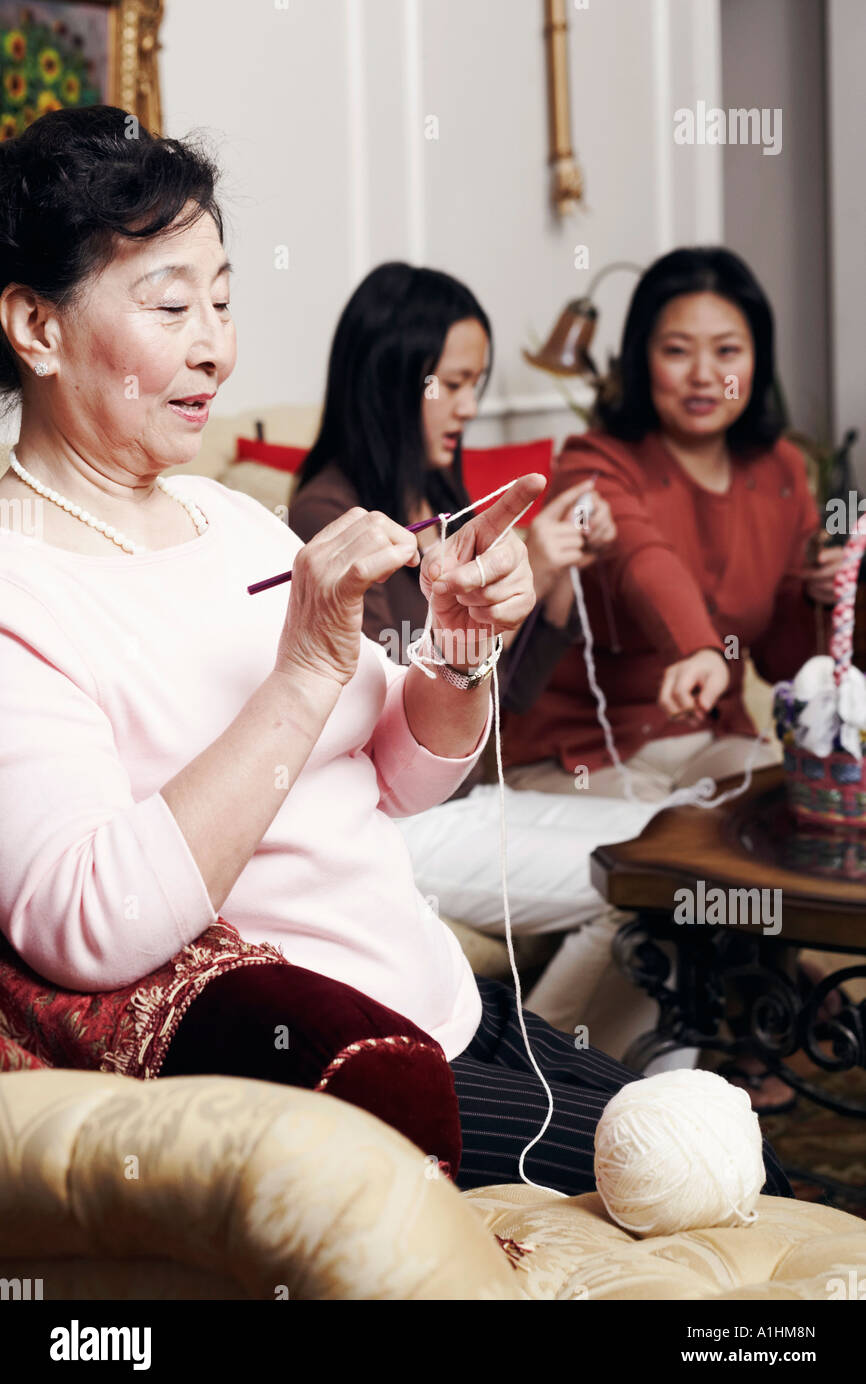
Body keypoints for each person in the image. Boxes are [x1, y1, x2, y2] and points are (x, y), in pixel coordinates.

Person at [0, 106, 793, 1197]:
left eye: (223, 300)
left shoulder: (220, 517)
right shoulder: (21, 588)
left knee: (743, 1162)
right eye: (171, 304)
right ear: (35, 328)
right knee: (726, 1188)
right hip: (347, 1075)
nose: (214, 345)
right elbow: (90, 927)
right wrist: (303, 671)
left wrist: (459, 645)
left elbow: (406, 776)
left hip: (450, 1007)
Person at [501, 246, 845, 1105]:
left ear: (756, 359)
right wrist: (695, 645)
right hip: (580, 752)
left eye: (726, 351)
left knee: (758, 789)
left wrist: (817, 595)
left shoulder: (784, 473)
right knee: (675, 860)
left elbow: (782, 659)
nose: (703, 374)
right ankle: (548, 1084)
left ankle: (753, 1030)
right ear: (640, 357)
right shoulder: (595, 456)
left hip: (702, 743)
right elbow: (640, 554)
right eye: (675, 348)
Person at [289, 262, 662, 1044]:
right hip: (408, 820)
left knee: (669, 838)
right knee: (650, 883)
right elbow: (392, 691)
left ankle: (660, 1095)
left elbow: (505, 696)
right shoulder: (330, 512)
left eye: (477, 382)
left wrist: (549, 578)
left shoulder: (438, 491)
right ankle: (545, 1064)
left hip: (469, 799)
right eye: (451, 384)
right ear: (394, 380)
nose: (469, 406)